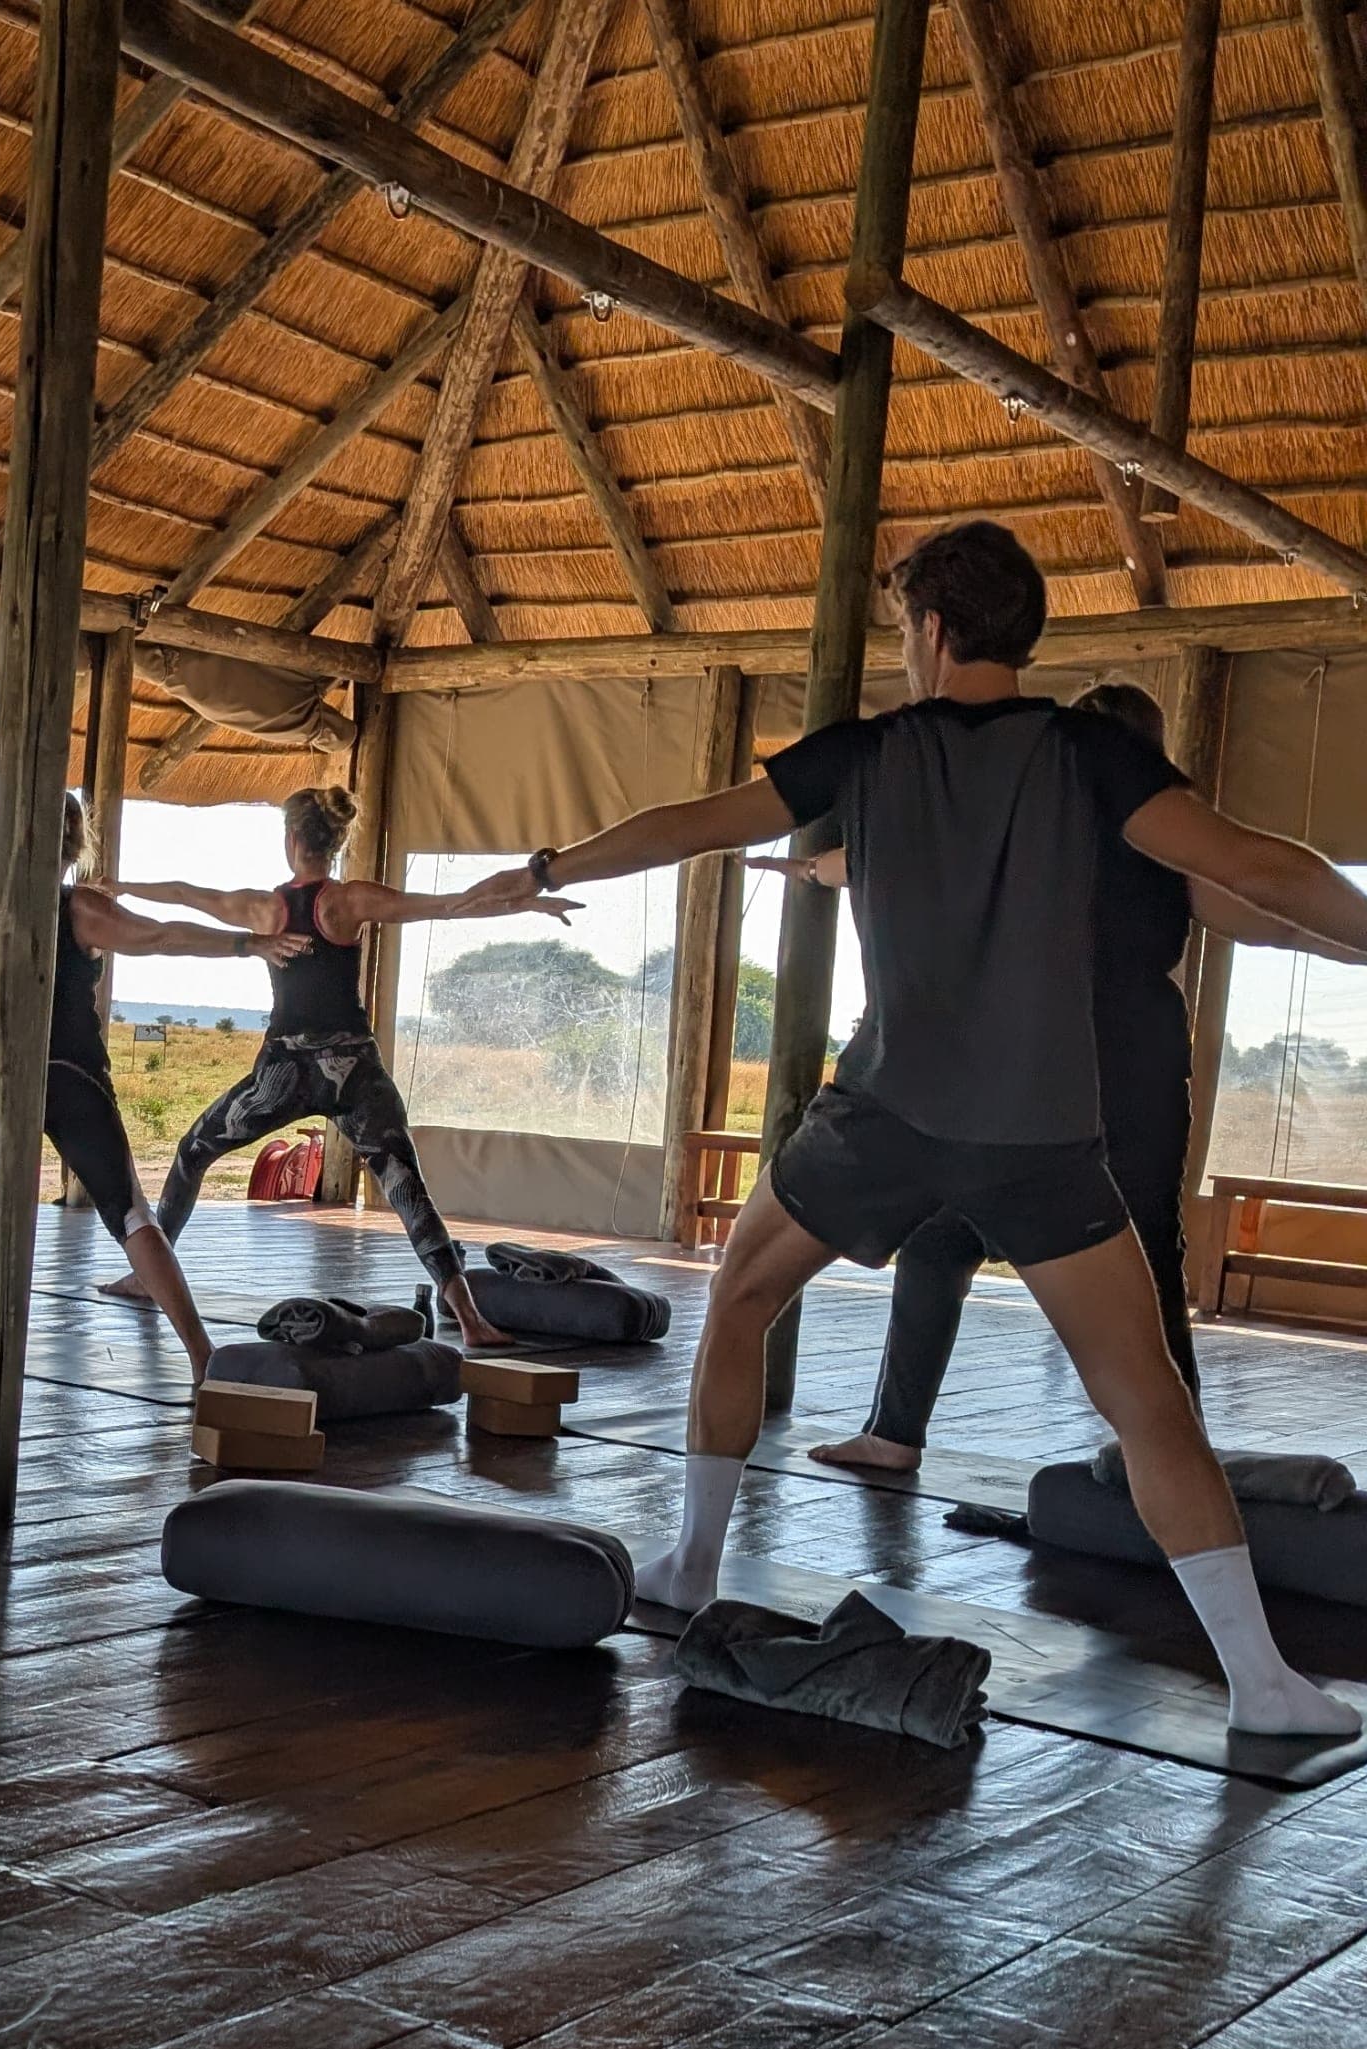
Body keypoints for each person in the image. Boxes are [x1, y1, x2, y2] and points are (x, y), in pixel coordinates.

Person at [459, 519, 1366, 1735]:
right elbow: (1262, 868)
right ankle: (1261, 1682)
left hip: (880, 1115)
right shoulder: (1094, 756)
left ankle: (688, 1564)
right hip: (1040, 1132)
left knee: (737, 1300)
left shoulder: (866, 754)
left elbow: (692, 822)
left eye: (901, 627)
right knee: (1147, 1397)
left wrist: (545, 866)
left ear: (932, 629)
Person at [772, 683, 1359, 1473]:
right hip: (1126, 1065)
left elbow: (877, 859)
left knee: (946, 1239)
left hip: (1037, 1064)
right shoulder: (1165, 848)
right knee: (1139, 1251)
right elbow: (1274, 916)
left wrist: (814, 870)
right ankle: (1167, 1453)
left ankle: (895, 1434)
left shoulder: (1035, 834)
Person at [0, 794, 306, 1383]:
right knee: (130, 1212)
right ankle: (202, 1355)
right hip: (72, 1079)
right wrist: (243, 945)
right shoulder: (81, 909)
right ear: (75, 849)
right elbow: (159, 936)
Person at [105, 783, 580, 1349]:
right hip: (354, 1068)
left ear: (290, 841)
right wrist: (522, 898)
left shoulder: (266, 907)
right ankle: (471, 1320)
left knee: (191, 1151)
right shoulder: (348, 901)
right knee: (406, 1187)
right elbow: (450, 906)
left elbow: (185, 893)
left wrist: (121, 887)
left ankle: (147, 1275)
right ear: (333, 842)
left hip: (283, 1074)